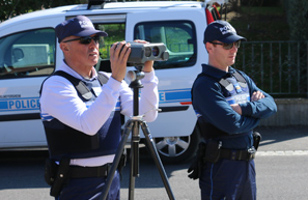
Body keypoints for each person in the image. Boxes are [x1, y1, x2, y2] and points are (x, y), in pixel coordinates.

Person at [40, 15, 159, 200]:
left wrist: (149, 73)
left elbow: (147, 114)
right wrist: (116, 80)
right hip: (78, 184)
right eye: (85, 40)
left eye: (96, 39)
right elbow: (88, 125)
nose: (93, 45)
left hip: (112, 177)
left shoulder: (105, 79)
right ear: (64, 47)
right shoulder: (56, 85)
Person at [188, 20, 277, 200]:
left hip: (246, 166)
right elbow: (232, 125)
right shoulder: (205, 85)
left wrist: (244, 109)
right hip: (221, 169)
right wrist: (258, 117)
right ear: (209, 47)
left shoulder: (239, 76)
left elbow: (272, 105)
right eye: (227, 44)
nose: (234, 49)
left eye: (236, 43)